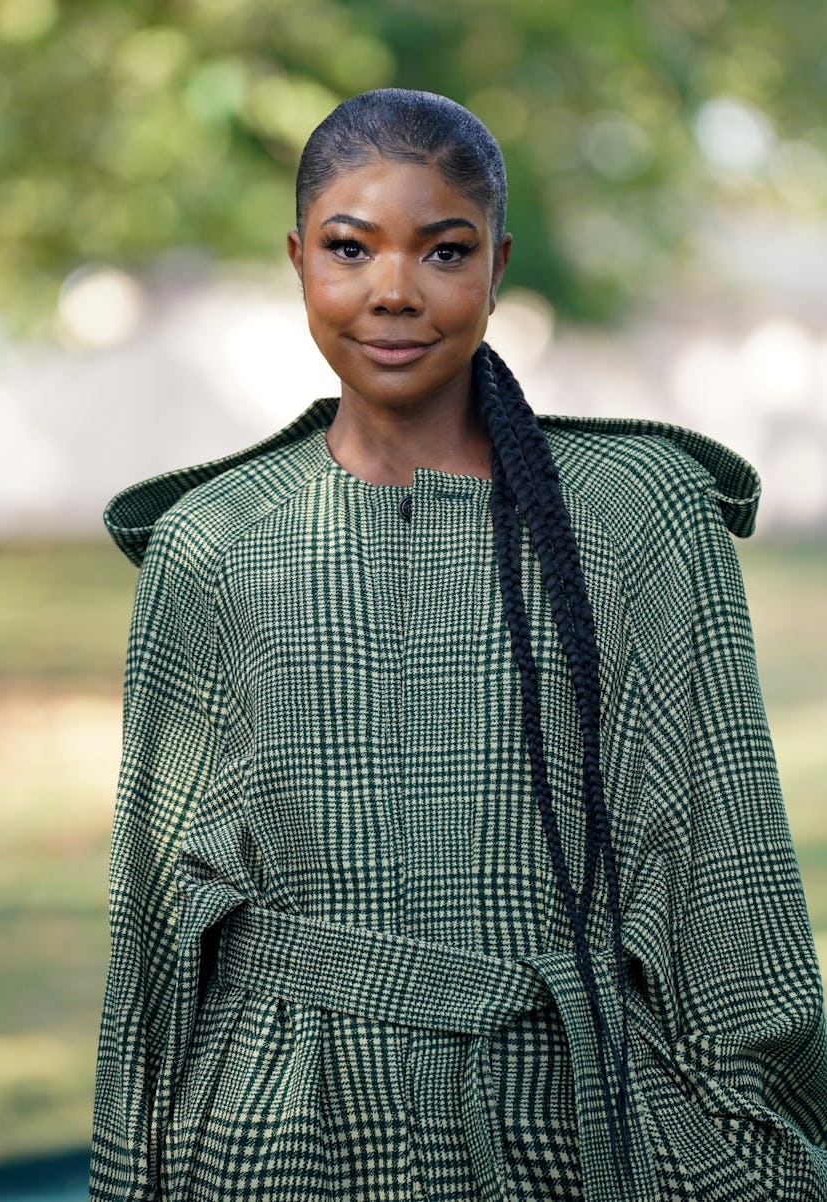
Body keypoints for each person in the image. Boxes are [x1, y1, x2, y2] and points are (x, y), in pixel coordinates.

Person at [90, 88, 827, 1201]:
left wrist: (768, 1151)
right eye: (350, 248)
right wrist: (129, 1174)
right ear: (299, 259)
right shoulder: (213, 541)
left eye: (444, 249)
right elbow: (155, 911)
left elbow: (730, 877)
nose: (393, 289)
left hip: (572, 1125)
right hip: (277, 1135)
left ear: (498, 261)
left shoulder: (640, 514)